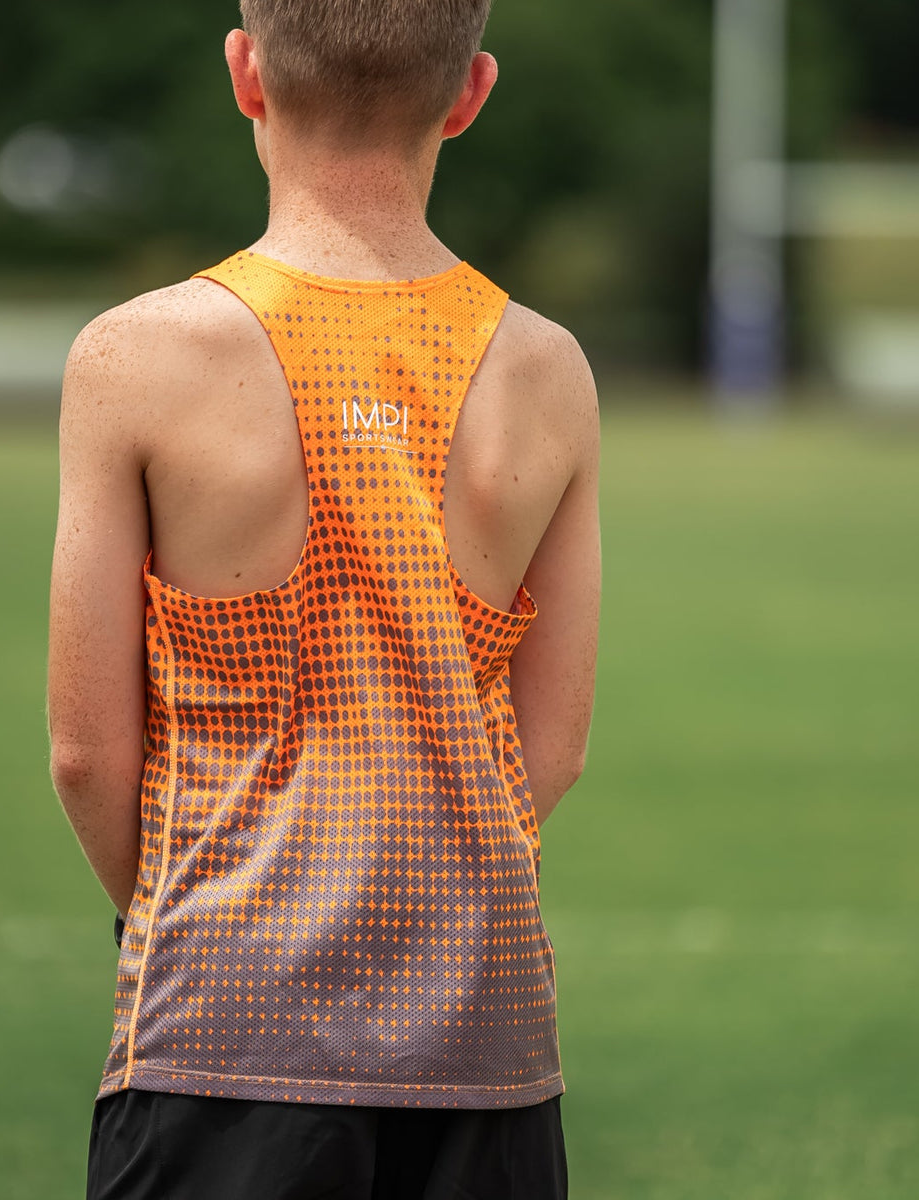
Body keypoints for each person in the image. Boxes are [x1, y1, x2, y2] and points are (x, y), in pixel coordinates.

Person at [47, 2, 600, 1196]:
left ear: (246, 72)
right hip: (483, 1036)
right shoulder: (549, 370)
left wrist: (188, 913)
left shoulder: (133, 357)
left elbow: (89, 754)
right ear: (470, 93)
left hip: (218, 1028)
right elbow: (549, 749)